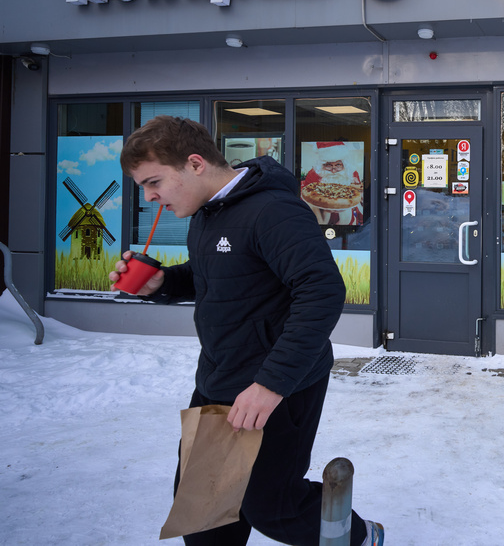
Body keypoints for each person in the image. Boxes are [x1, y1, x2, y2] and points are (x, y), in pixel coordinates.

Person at [108, 116, 383, 546]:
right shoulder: (206, 214)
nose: (149, 196)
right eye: (143, 186)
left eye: (154, 181)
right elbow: (216, 276)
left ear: (195, 164)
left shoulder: (273, 210)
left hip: (279, 384)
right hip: (220, 376)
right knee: (203, 510)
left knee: (272, 507)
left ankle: (362, 536)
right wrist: (164, 284)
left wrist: (270, 385)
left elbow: (322, 292)